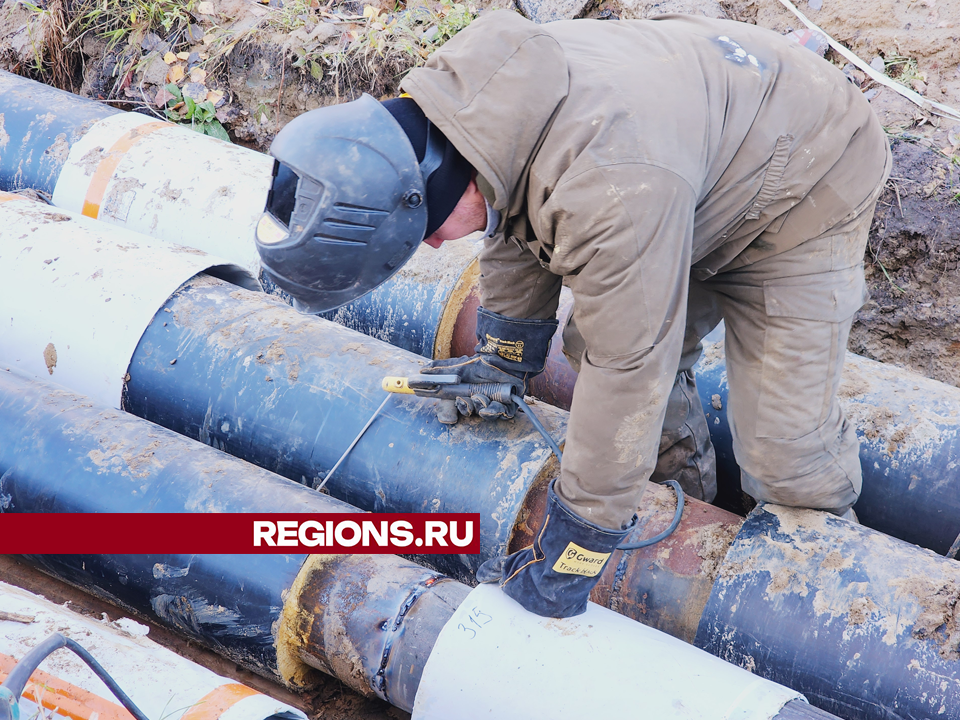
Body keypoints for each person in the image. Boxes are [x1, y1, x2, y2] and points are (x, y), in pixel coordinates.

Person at [254, 10, 891, 619]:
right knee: (597, 341)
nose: (432, 246)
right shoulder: (468, 119)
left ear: (429, 186)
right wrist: (504, 355)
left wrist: (580, 538)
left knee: (784, 451)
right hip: (686, 158)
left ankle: (820, 605)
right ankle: (682, 512)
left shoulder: (607, 188)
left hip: (804, 177)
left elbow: (629, 366)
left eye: (422, 231)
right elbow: (514, 217)